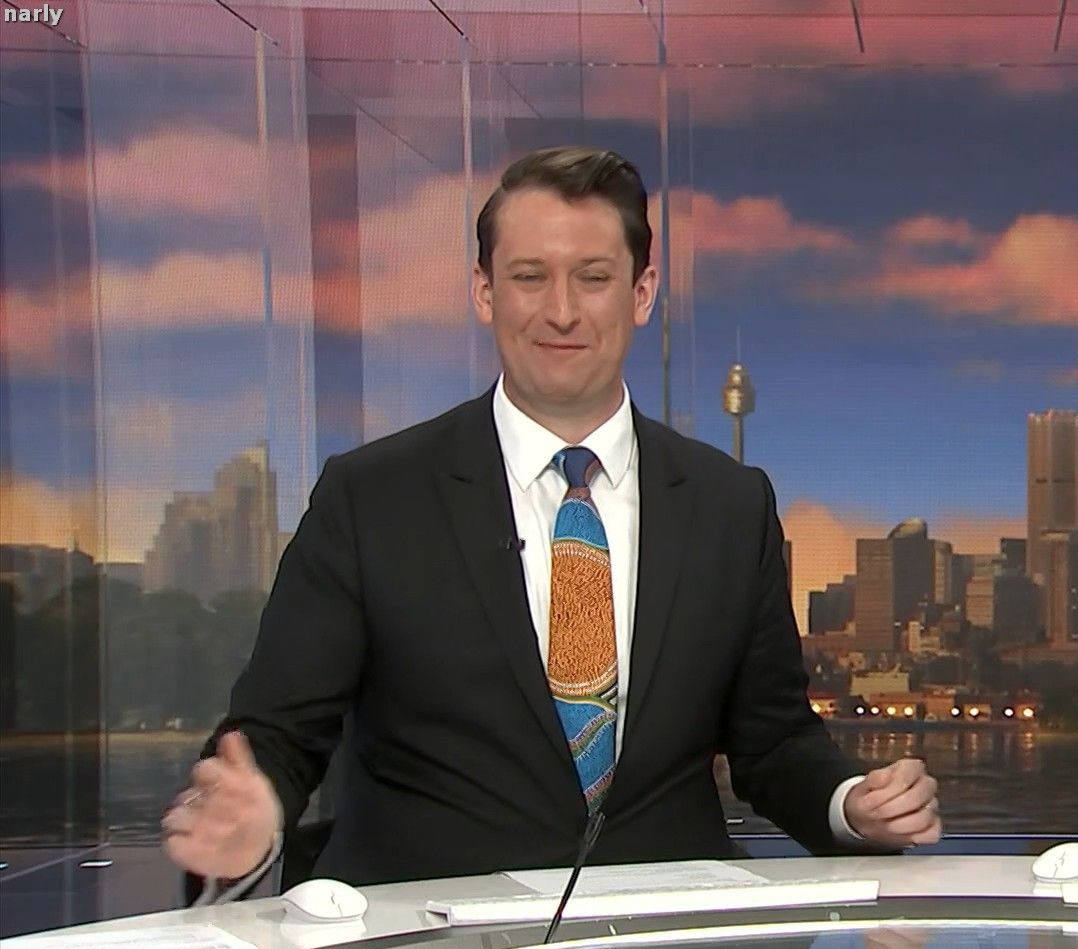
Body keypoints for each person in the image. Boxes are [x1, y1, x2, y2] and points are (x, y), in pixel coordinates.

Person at [162, 146, 941, 896]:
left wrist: (851, 804)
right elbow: (278, 735)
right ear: (485, 292)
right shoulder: (371, 496)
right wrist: (253, 815)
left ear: (641, 293)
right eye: (530, 277)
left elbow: (773, 743)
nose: (562, 311)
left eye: (593, 278)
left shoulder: (730, 504)